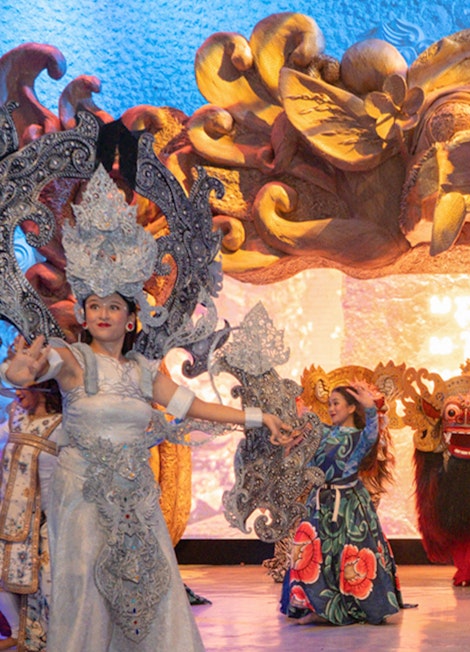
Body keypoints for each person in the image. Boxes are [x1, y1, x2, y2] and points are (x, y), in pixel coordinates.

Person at [0, 167, 291, 651]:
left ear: (133, 316)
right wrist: (19, 372)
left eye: (114, 306)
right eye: (94, 305)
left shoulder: (141, 371)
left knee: (152, 592)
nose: (102, 313)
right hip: (84, 498)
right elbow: (28, 373)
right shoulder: (73, 360)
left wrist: (257, 418)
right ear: (84, 314)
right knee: (88, 593)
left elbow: (193, 404)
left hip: (136, 498)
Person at [279, 383, 403, 625]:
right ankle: (314, 604)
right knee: (310, 554)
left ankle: (355, 606)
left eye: (336, 403)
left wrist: (370, 409)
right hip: (319, 503)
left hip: (349, 505)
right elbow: (303, 458)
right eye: (330, 404)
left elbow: (372, 431)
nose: (332, 408)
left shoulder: (360, 436)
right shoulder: (322, 433)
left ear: (351, 408)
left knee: (352, 557)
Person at [0, 380, 61, 651]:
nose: (18, 393)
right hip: (9, 516)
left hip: (48, 520)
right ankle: (16, 633)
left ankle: (54, 638)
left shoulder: (62, 426)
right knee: (3, 577)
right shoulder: (15, 417)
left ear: (44, 387)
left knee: (49, 585)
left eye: (24, 387)